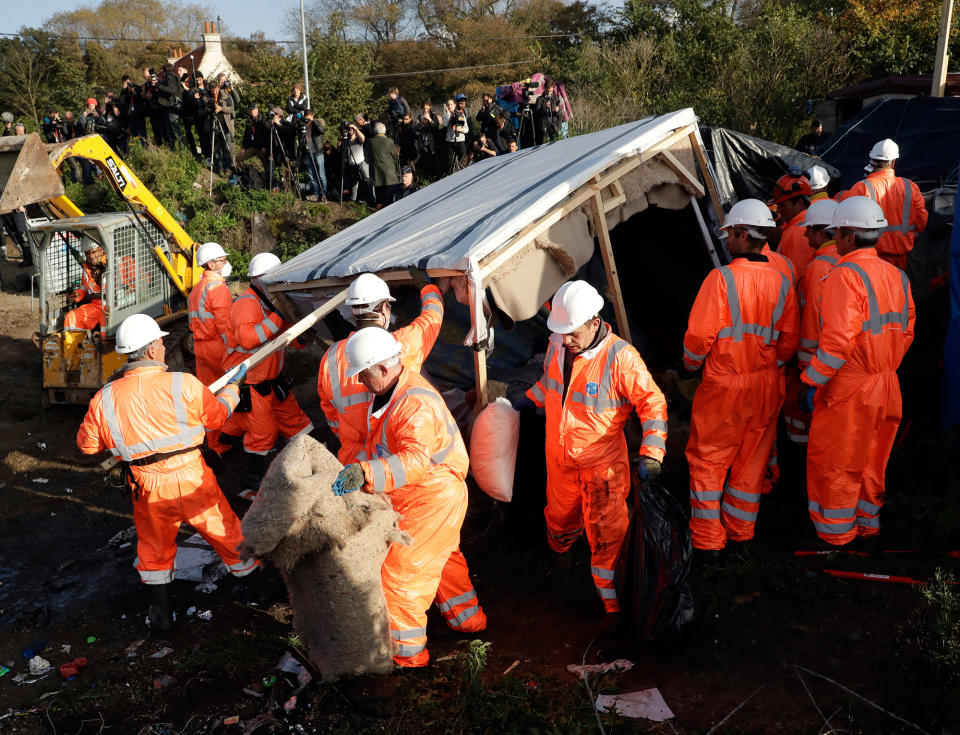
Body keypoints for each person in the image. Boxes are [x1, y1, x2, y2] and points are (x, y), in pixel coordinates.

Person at [76, 313, 257, 631]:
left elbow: (88, 447)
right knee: (227, 534)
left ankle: (160, 615)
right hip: (193, 479)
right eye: (159, 343)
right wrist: (232, 388)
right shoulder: (182, 383)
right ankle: (256, 591)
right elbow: (216, 418)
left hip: (147, 486)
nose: (162, 347)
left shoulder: (103, 399)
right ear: (148, 351)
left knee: (154, 549)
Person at [331, 327, 487, 667]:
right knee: (441, 557)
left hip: (431, 498)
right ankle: (468, 619)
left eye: (363, 375)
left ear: (384, 368)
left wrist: (366, 474)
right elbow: (380, 445)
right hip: (423, 496)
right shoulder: (390, 392)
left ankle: (407, 660)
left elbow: (414, 461)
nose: (359, 383)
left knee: (399, 576)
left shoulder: (414, 404)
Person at [524, 280, 668, 637]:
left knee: (607, 538)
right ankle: (561, 552)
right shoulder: (558, 344)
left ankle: (614, 609)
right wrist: (525, 401)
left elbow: (653, 405)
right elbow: (550, 384)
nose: (566, 340)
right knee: (558, 518)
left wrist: (652, 453)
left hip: (602, 469)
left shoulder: (621, 358)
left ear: (593, 321)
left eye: (572, 333)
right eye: (561, 333)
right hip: (559, 460)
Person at [683, 199, 799, 554]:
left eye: (730, 233)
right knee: (752, 461)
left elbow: (698, 339)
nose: (726, 240)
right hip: (765, 384)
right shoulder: (782, 282)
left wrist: (689, 367)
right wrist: (768, 364)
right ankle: (740, 536)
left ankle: (707, 542)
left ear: (743, 233)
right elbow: (789, 341)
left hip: (725, 385)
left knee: (709, 460)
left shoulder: (721, 279)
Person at [801, 197, 914, 547]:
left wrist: (810, 381)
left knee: (837, 464)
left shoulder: (844, 275)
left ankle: (836, 540)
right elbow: (907, 331)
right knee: (872, 460)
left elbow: (837, 343)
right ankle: (868, 527)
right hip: (887, 382)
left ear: (848, 235)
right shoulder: (897, 275)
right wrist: (884, 365)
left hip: (851, 388)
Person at [318, 269, 445, 466]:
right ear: (385, 309)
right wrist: (427, 287)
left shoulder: (330, 358)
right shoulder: (402, 344)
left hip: (355, 464)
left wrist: (347, 433)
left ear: (354, 311)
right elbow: (433, 316)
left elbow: (330, 412)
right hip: (396, 460)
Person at [224, 253, 313, 485]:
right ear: (260, 279)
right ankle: (249, 484)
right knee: (262, 435)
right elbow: (248, 339)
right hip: (251, 384)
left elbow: (291, 338)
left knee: (298, 423)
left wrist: (304, 335)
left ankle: (315, 462)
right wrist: (279, 315)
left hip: (273, 380)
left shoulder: (272, 302)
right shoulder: (247, 303)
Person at [840, 139, 928, 271]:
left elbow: (848, 224)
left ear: (871, 161)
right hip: (902, 257)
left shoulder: (861, 188)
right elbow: (921, 221)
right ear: (893, 162)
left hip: (870, 257)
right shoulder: (910, 187)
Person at [771, 171, 813, 280]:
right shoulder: (802, 225)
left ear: (799, 202)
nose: (779, 210)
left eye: (782, 205)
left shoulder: (798, 233)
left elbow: (796, 276)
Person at [63, 241, 107, 332]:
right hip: (96, 306)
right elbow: (84, 287)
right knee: (71, 317)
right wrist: (76, 295)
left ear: (102, 250)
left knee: (104, 327)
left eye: (93, 252)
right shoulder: (87, 268)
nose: (90, 256)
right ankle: (71, 344)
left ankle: (103, 342)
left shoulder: (115, 263)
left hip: (113, 307)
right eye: (87, 254)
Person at [340, 120, 373, 204]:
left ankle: (373, 200)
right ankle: (353, 200)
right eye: (349, 129)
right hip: (352, 164)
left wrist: (356, 128)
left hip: (361, 163)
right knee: (354, 183)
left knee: (367, 181)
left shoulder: (358, 138)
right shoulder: (346, 139)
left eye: (351, 129)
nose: (350, 130)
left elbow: (363, 138)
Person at [369, 122, 399, 205]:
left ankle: (379, 206)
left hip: (375, 170)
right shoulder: (389, 141)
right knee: (390, 191)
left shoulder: (370, 142)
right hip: (388, 170)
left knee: (378, 191)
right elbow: (394, 154)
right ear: (384, 131)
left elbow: (367, 155)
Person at [236, 103, 270, 173]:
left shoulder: (264, 120)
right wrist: (243, 147)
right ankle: (247, 173)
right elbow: (246, 135)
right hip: (252, 147)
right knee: (238, 158)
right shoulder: (249, 121)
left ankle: (267, 181)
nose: (252, 111)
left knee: (268, 168)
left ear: (257, 110)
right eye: (250, 110)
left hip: (262, 148)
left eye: (253, 109)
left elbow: (268, 136)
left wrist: (265, 147)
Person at [302, 110, 327, 201]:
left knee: (321, 174)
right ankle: (316, 194)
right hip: (308, 152)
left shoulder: (316, 124)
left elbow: (322, 130)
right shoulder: (304, 125)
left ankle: (324, 194)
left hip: (318, 152)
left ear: (312, 116)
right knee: (311, 175)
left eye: (308, 117)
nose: (307, 119)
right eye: (306, 117)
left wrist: (313, 121)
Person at [443, 96, 470, 174]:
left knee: (463, 159)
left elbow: (466, 129)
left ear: (455, 105)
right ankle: (450, 175)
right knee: (450, 161)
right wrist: (449, 116)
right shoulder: (445, 115)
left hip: (460, 140)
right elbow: (444, 124)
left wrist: (459, 129)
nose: (449, 106)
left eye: (451, 104)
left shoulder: (460, 115)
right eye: (448, 105)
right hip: (450, 141)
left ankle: (463, 174)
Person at [414, 100, 441, 177]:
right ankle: (426, 179)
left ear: (430, 107)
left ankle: (434, 177)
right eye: (424, 108)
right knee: (425, 164)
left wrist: (429, 119)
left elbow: (436, 127)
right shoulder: (420, 116)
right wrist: (422, 123)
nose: (425, 110)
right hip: (423, 143)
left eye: (427, 108)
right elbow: (416, 128)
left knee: (433, 163)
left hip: (432, 143)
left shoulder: (433, 116)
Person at [534, 79, 562, 144]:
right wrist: (544, 107)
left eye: (551, 91)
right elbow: (536, 113)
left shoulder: (555, 98)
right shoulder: (540, 99)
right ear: (545, 89)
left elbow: (560, 114)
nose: (549, 93)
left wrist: (558, 111)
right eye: (548, 91)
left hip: (554, 126)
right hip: (544, 127)